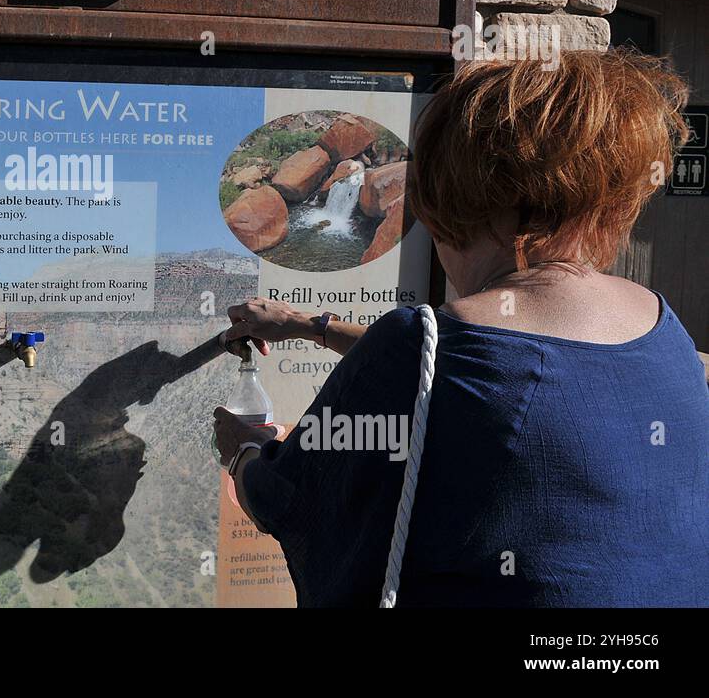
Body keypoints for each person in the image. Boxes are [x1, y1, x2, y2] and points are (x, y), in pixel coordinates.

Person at [214, 49, 709, 606]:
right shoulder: (665, 330)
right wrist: (306, 324)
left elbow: (289, 499)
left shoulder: (417, 348)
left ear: (453, 190)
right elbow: (476, 375)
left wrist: (244, 453)